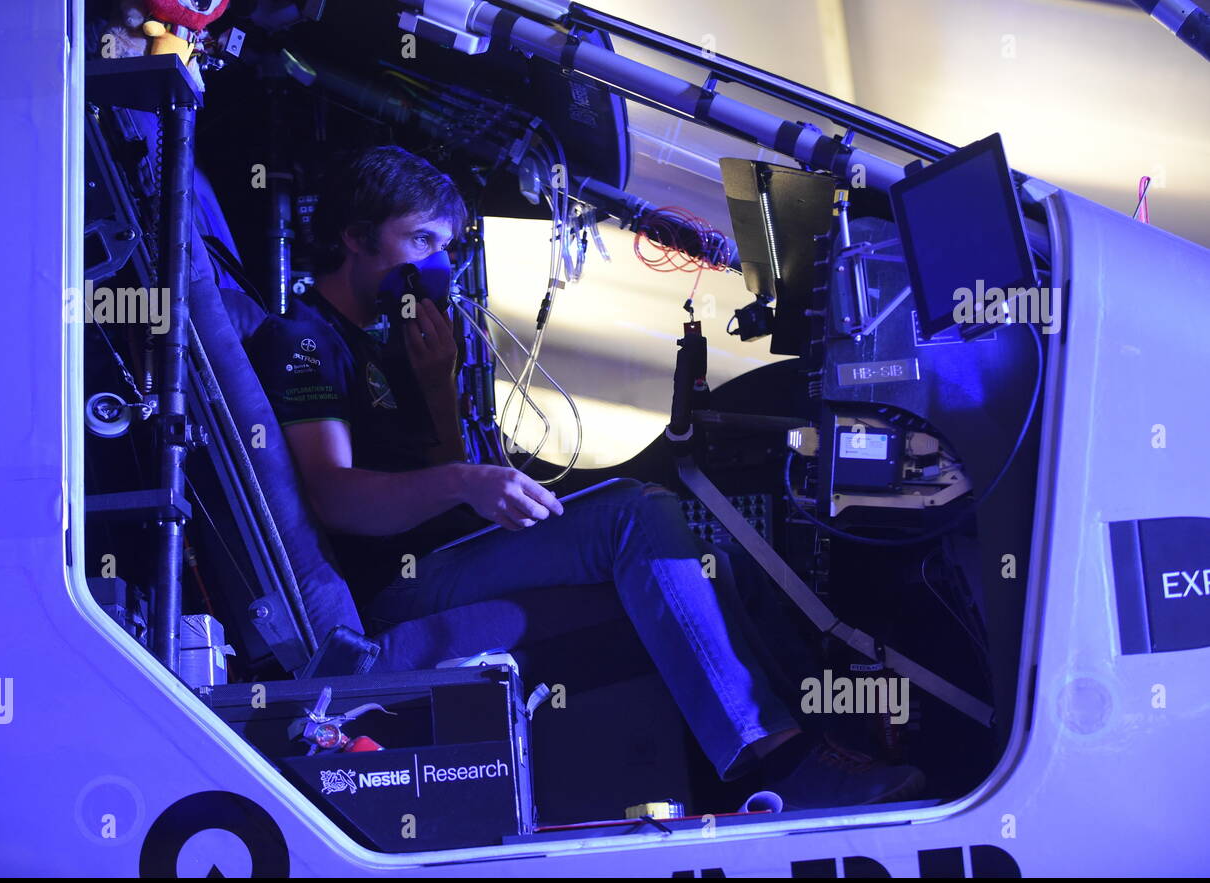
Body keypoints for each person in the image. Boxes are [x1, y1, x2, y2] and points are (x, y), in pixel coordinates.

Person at [248, 144, 924, 812]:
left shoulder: (386, 338)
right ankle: (779, 766)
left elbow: (436, 472)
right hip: (398, 582)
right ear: (356, 237)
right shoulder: (306, 340)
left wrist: (437, 385)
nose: (437, 264)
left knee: (710, 560)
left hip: (443, 549)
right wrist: (463, 479)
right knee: (638, 515)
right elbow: (335, 496)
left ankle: (821, 742)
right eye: (420, 238)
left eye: (446, 245)